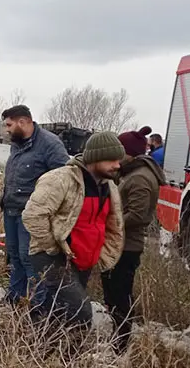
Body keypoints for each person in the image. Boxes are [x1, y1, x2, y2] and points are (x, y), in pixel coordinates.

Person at [22, 132, 124, 340]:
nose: (117, 165)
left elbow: (112, 224)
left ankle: (43, 353)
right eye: (111, 159)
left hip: (82, 259)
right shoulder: (60, 179)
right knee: (81, 313)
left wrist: (105, 254)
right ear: (95, 158)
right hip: (54, 256)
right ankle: (69, 359)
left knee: (59, 311)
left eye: (119, 160)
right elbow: (33, 215)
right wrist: (52, 248)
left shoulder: (108, 186)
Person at [102, 129, 165, 353]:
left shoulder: (140, 178)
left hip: (127, 247)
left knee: (120, 295)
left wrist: (107, 222)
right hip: (118, 243)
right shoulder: (130, 172)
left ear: (130, 153)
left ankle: (121, 344)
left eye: (120, 153)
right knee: (112, 293)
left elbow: (138, 215)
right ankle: (117, 337)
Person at [0, 105, 70, 304]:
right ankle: (14, 297)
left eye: (9, 125)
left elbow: (64, 180)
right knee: (14, 255)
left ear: (23, 122)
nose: (7, 130)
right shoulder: (17, 143)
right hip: (10, 209)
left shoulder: (50, 144)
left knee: (29, 258)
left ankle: (40, 305)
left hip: (31, 215)